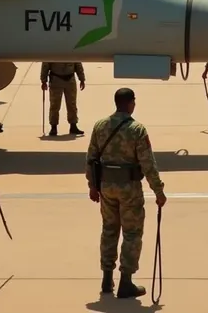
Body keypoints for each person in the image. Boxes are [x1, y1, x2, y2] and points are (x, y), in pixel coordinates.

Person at [85, 88, 167, 299]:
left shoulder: (100, 126)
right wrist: (158, 191)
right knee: (131, 233)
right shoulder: (137, 130)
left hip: (106, 187)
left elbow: (91, 158)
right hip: (129, 189)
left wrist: (92, 186)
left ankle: (106, 279)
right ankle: (126, 282)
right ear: (130, 103)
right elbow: (148, 164)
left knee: (109, 230)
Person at [40, 62, 85, 136]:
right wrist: (43, 80)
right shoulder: (52, 51)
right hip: (56, 79)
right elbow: (45, 64)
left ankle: (73, 125)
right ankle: (53, 127)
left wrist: (82, 79)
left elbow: (78, 64)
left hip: (70, 79)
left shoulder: (71, 50)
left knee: (72, 104)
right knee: (55, 104)